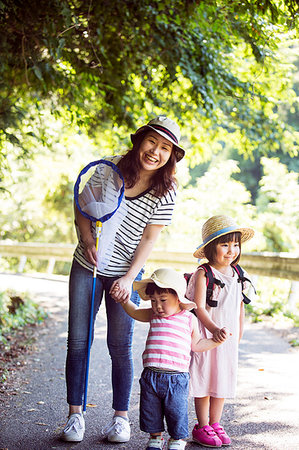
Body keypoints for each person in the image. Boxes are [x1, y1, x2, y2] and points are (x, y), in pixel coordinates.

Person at [62, 116, 186, 443]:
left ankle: (120, 418)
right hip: (86, 265)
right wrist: (88, 241)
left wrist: (130, 278)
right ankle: (75, 416)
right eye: (151, 142)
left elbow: (148, 239)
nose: (155, 152)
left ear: (171, 155)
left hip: (125, 271)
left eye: (165, 148)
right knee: (78, 341)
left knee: (120, 345)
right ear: (139, 140)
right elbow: (82, 205)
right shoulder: (110, 168)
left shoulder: (166, 192)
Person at [117, 268, 227, 450]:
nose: (157, 306)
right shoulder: (153, 315)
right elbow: (135, 311)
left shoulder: (188, 319)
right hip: (151, 375)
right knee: (151, 410)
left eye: (163, 301)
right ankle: (156, 437)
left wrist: (215, 341)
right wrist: (123, 301)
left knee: (176, 411)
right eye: (153, 301)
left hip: (176, 378)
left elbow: (197, 344)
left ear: (178, 298)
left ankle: (177, 438)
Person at [186, 215, 254, 447]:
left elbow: (240, 308)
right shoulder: (204, 274)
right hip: (207, 336)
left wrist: (239, 333)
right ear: (210, 248)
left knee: (222, 378)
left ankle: (216, 423)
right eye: (224, 244)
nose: (231, 250)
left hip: (228, 338)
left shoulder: (239, 274)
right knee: (205, 378)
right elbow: (198, 307)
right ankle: (202, 425)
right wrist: (214, 329)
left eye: (235, 244)